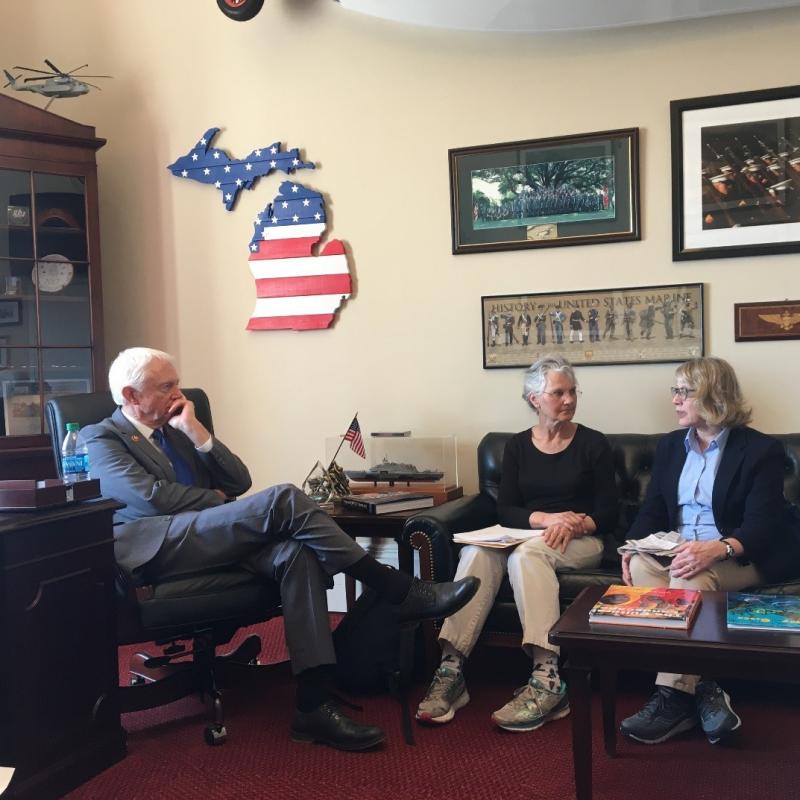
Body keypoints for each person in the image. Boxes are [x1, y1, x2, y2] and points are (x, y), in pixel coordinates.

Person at [84, 347, 479, 752]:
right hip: (155, 549)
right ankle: (399, 589)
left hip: (207, 538)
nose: (177, 393)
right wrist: (217, 499)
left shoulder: (179, 429)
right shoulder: (99, 437)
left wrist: (198, 434)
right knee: (283, 500)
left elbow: (239, 479)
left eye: (177, 383)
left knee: (297, 554)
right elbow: (152, 499)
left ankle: (313, 704)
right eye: (166, 386)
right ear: (131, 396)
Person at [416, 355, 617, 731]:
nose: (569, 399)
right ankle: (451, 669)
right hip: (530, 533)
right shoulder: (517, 447)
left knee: (526, 557)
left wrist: (573, 524)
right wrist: (546, 519)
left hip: (582, 540)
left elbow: (608, 514)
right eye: (559, 392)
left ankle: (547, 678)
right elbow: (506, 508)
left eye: (573, 391)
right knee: (476, 552)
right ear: (534, 400)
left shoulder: (594, 444)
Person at [619, 356, 800, 746]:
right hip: (682, 550)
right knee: (643, 569)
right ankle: (705, 689)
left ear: (714, 397)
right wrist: (631, 546)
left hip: (742, 554)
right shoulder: (670, 446)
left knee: (687, 575)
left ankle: (671, 697)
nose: (675, 401)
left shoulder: (759, 450)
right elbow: (652, 508)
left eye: (685, 392)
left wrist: (717, 548)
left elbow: (763, 523)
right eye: (675, 391)